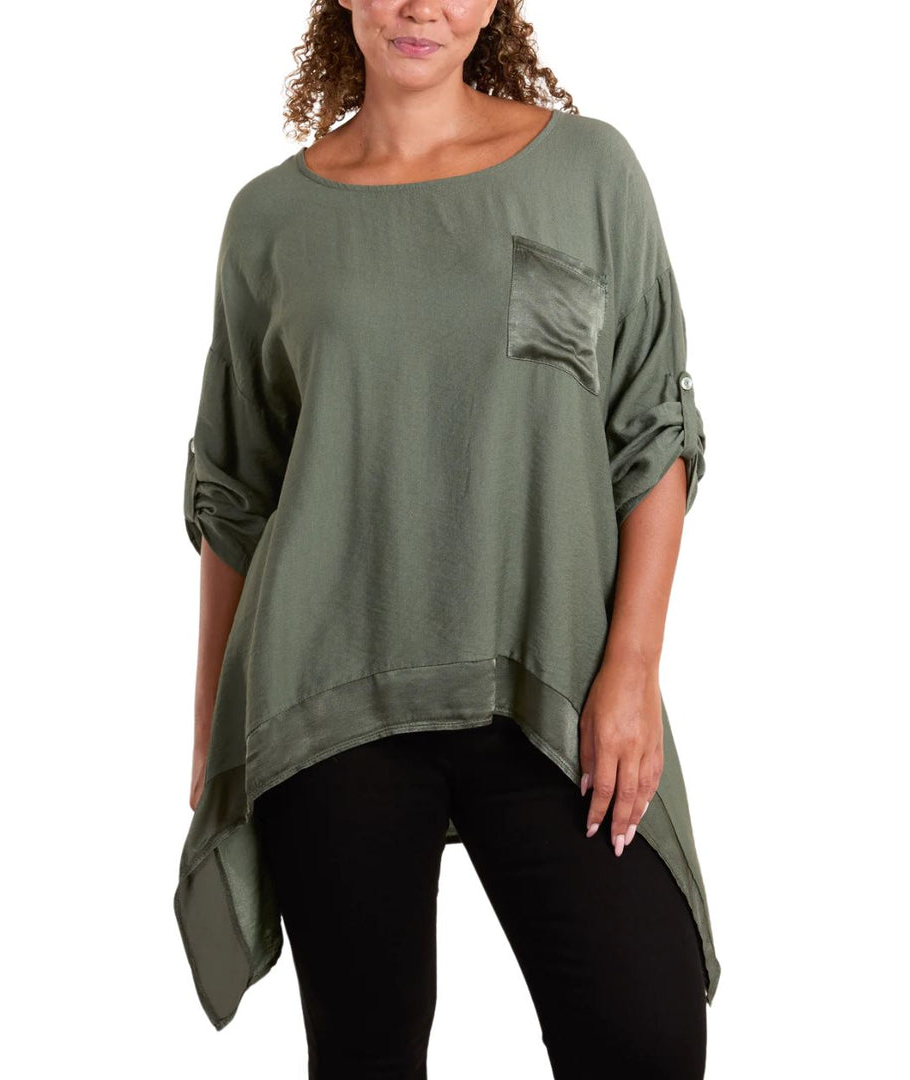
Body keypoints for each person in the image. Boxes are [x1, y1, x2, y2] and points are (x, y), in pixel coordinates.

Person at [173, 2, 722, 1077]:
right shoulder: (270, 220)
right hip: (330, 699)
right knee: (366, 1057)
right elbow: (236, 491)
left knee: (645, 1040)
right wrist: (212, 732)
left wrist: (632, 668)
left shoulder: (587, 171)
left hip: (552, 684)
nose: (422, 5)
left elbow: (652, 429)